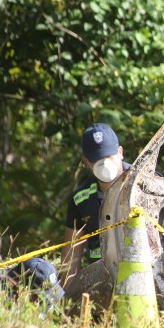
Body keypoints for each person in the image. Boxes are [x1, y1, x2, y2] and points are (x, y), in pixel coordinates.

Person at [61, 123, 130, 311]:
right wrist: (67, 306)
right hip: (102, 285)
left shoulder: (143, 185)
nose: (104, 164)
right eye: (97, 160)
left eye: (108, 156)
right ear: (86, 162)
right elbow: (70, 261)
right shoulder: (81, 199)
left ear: (120, 152)